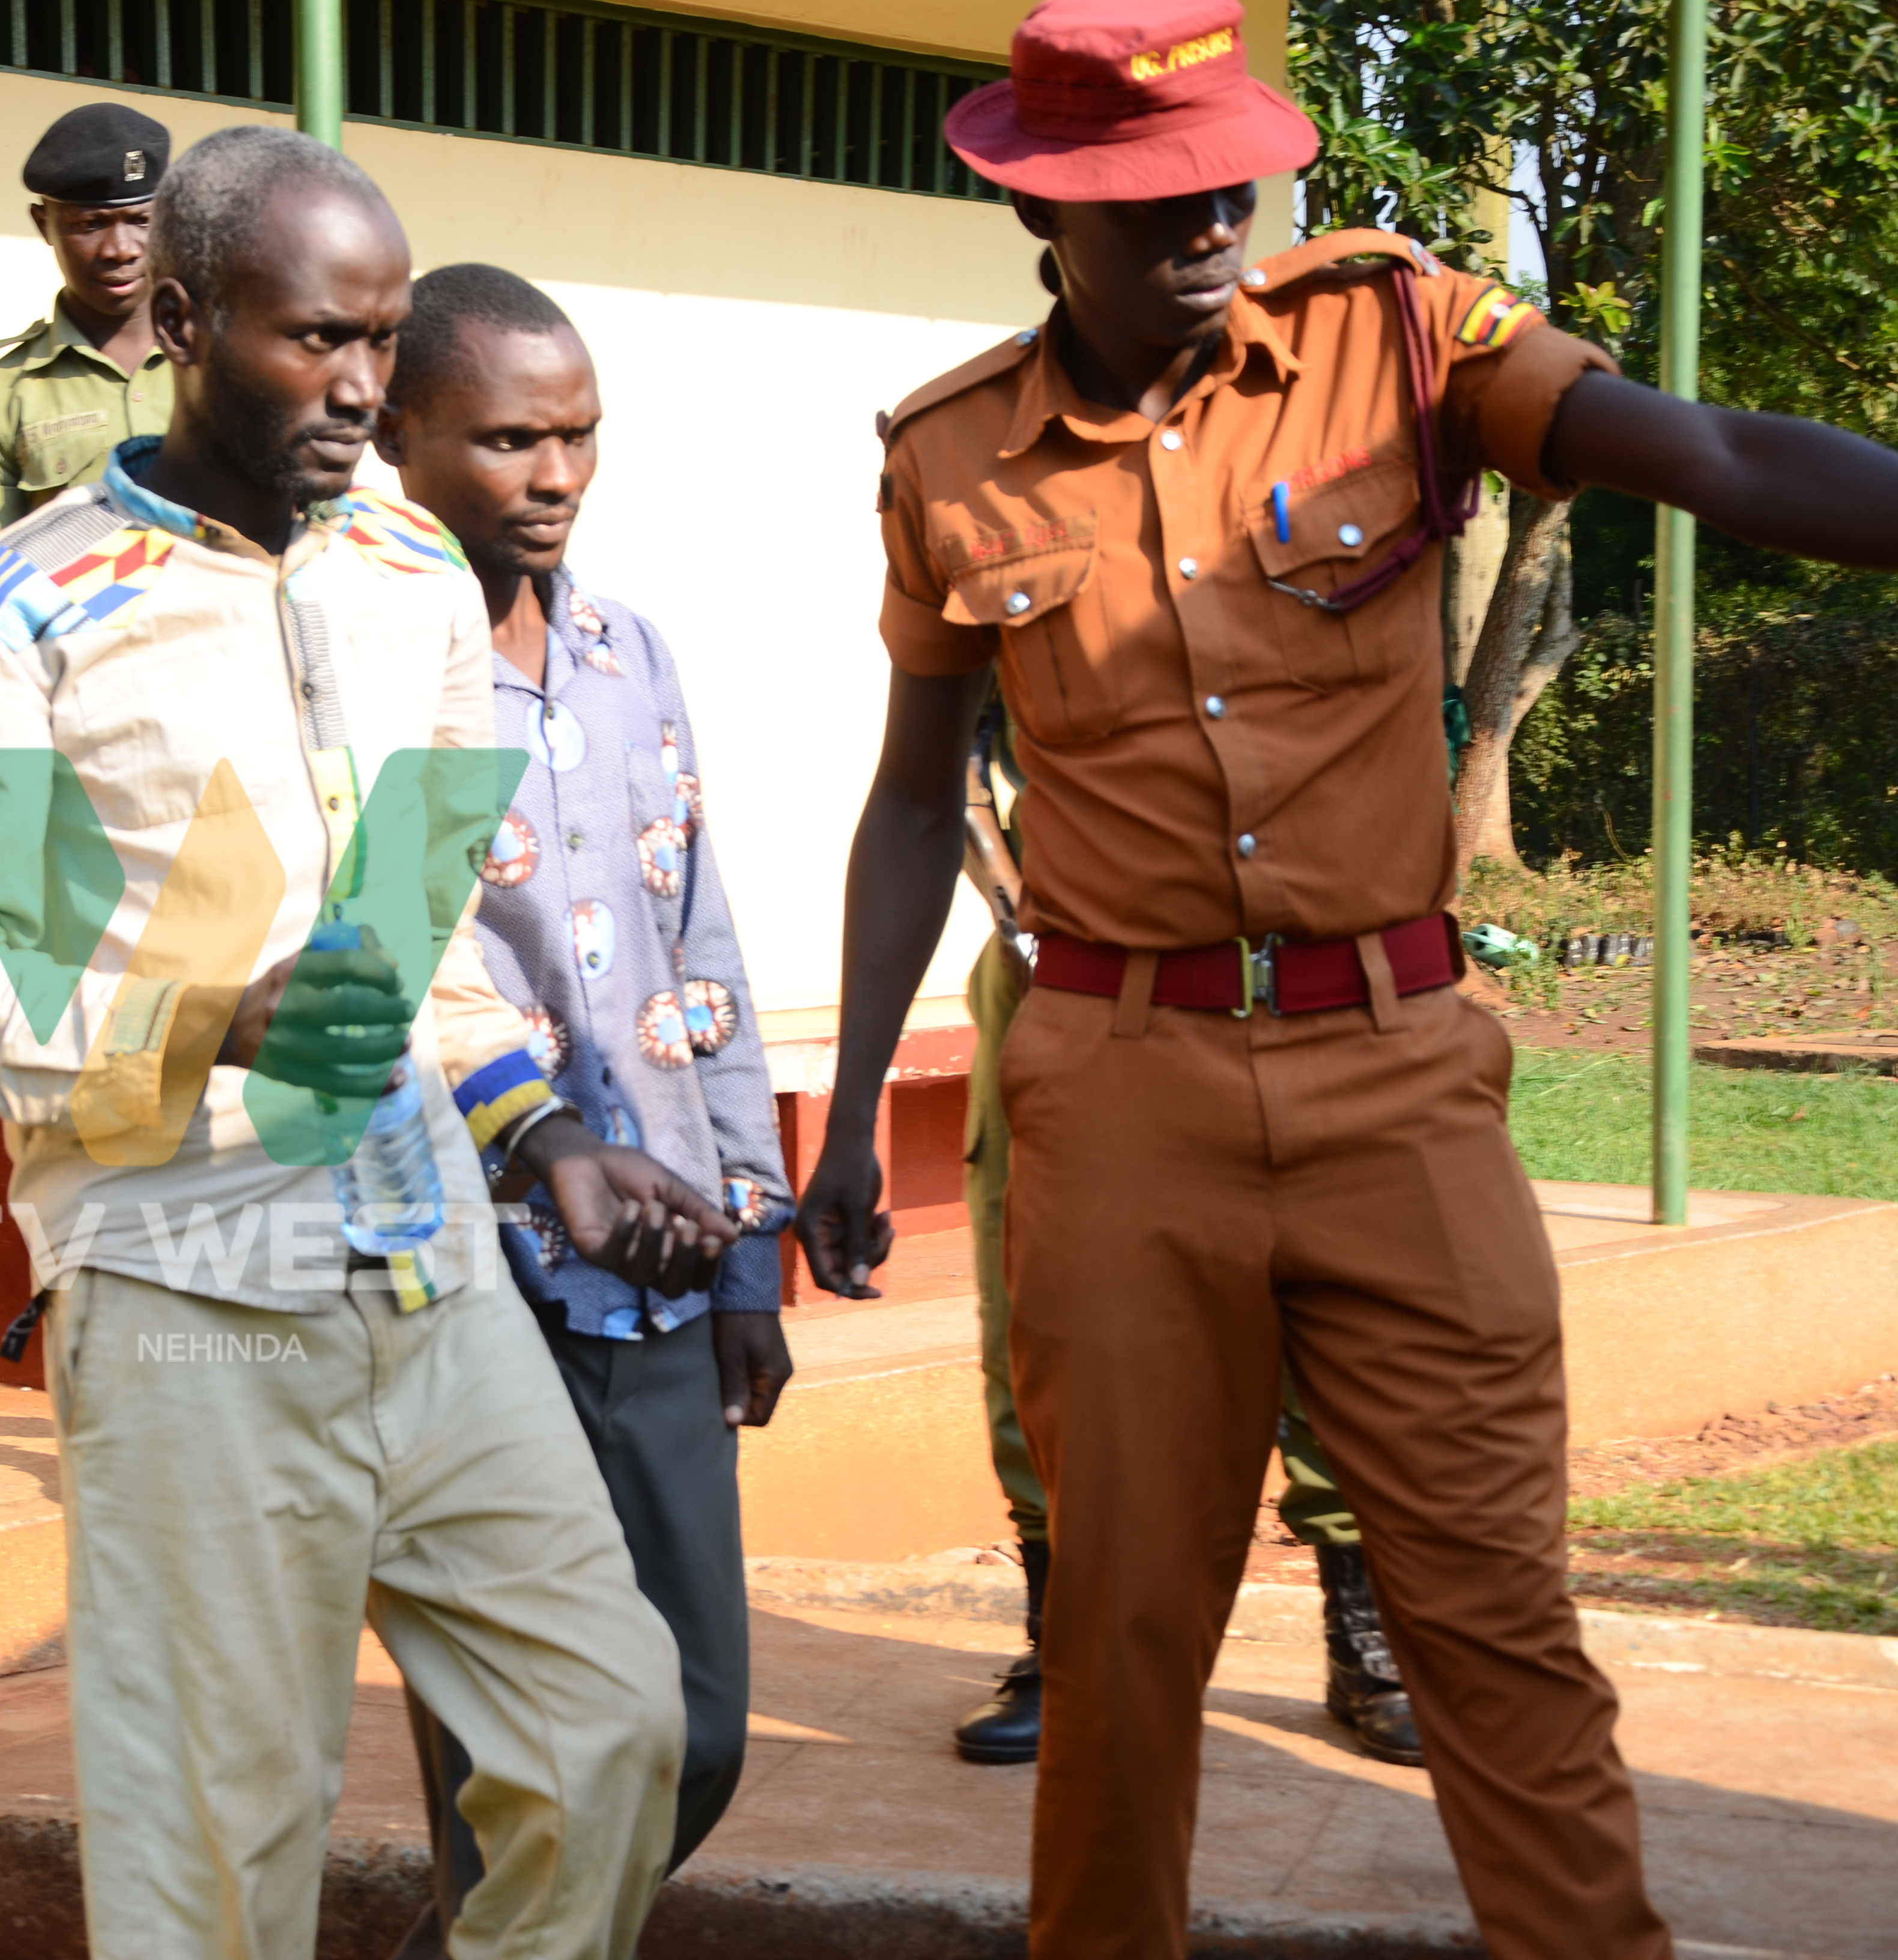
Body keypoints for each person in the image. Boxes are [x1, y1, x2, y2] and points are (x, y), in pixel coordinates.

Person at [798, 1, 1898, 1951]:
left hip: (1394, 1079)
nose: (1205, 209)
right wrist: (843, 1122)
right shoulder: (950, 457)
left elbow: (1706, 452)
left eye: (1223, 166)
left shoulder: (1396, 339)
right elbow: (907, 800)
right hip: (1112, 1095)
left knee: (1492, 1626)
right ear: (1040, 210)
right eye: (1145, 194)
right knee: (1119, 1642)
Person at [0, 126, 727, 1959]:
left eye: (381, 334)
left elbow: (423, 946)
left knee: (608, 1727)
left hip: (429, 1273)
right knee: (217, 1855)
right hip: (186, 1293)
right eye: (312, 338)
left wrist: (534, 1135)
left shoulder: (410, 574)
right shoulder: (27, 613)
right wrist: (201, 1019)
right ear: (180, 319)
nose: (363, 384)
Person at [371, 262, 795, 1947]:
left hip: (668, 1267)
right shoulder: (372, 679)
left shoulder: (633, 658)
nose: (553, 475)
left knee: (696, 1726)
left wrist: (751, 1237)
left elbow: (706, 944)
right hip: (467, 1274)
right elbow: (391, 963)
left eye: (579, 435)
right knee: (511, 1748)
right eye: (507, 439)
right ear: (400, 436)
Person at [947, 686, 1419, 1770]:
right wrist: (1019, 919)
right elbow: (947, 748)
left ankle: (1366, 1636)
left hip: (1293, 968)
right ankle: (1060, 1635)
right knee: (1041, 1311)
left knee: (1322, 1301)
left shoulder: (1321, 520)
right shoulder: (999, 514)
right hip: (1066, 968)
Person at [0, 102, 174, 557]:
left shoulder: (229, 366)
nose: (120, 250)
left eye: (142, 221)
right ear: (42, 223)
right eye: (90, 225)